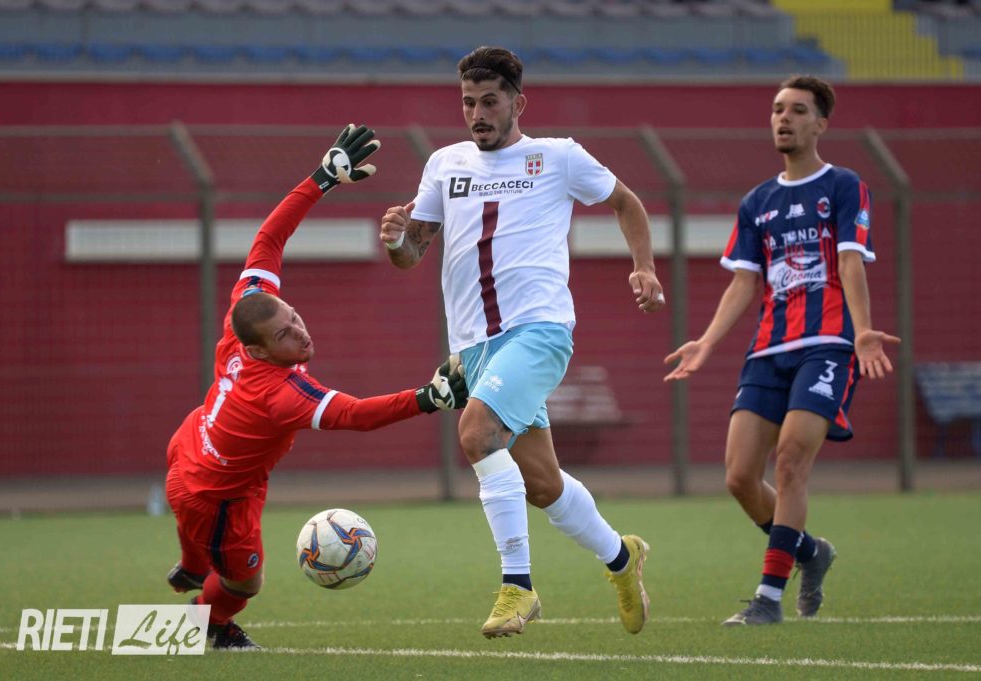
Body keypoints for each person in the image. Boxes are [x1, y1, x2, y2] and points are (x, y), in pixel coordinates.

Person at [379, 46, 665, 639]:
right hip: (477, 349)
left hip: (540, 331)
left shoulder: (557, 157)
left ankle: (519, 586)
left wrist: (644, 266)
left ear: (518, 103)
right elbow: (413, 253)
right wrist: (397, 240)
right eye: (468, 103)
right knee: (542, 484)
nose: (477, 114)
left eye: (490, 102)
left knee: (476, 432)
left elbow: (626, 202)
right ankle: (622, 557)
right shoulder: (444, 164)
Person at [164, 124, 468, 650]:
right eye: (286, 335)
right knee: (244, 584)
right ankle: (200, 624)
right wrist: (428, 397)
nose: (301, 333)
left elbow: (269, 239)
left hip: (192, 446)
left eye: (295, 317)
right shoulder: (277, 393)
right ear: (261, 352)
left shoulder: (248, 311)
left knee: (202, 545)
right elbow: (355, 415)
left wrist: (322, 178)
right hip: (216, 495)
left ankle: (192, 565)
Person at [663, 76, 900, 626]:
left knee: (791, 461)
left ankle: (767, 599)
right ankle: (811, 553)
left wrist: (863, 331)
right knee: (739, 477)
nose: (783, 118)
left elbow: (850, 263)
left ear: (821, 124)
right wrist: (706, 342)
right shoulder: (758, 202)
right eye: (776, 110)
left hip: (829, 346)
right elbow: (744, 282)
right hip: (769, 350)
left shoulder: (843, 185)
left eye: (797, 110)